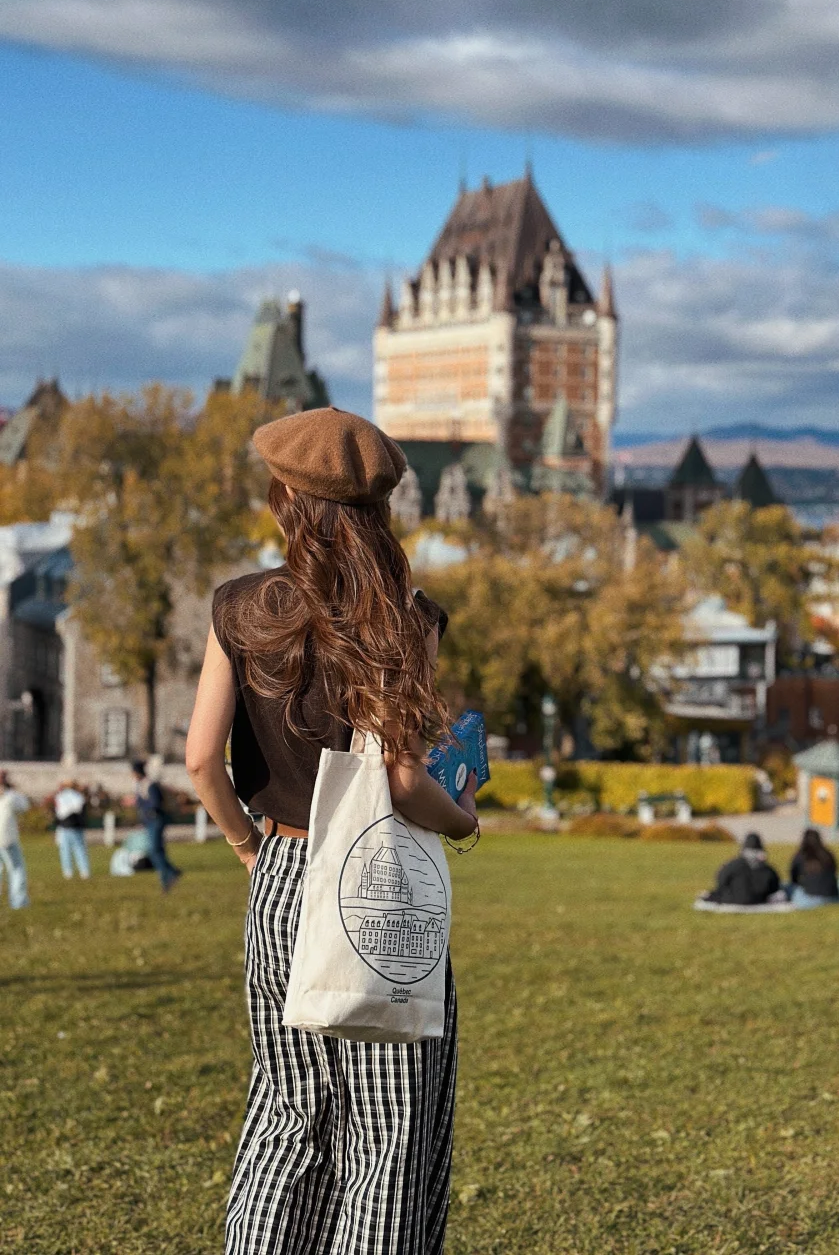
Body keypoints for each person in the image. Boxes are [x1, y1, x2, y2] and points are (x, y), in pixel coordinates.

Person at [185, 407, 479, 1255]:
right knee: (389, 1132)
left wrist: (250, 847)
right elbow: (401, 780)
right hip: (376, 886)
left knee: (287, 1114)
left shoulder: (238, 608)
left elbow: (203, 760)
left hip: (279, 870)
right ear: (379, 506)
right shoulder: (404, 618)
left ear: (287, 497)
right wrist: (461, 821)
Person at [132, 759, 181, 892]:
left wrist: (143, 805)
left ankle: (168, 874)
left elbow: (155, 803)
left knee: (155, 850)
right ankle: (169, 874)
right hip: (149, 821)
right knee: (157, 849)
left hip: (155, 820)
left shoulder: (149, 785)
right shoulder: (141, 784)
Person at [702, 832, 782, 906]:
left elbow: (721, 879)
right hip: (759, 900)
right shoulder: (767, 868)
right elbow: (775, 886)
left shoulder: (733, 864)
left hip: (733, 899)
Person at [0, 771, 31, 909]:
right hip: (6, 838)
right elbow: (25, 806)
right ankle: (19, 901)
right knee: (17, 868)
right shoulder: (10, 797)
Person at [788, 828, 839, 908]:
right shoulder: (827, 854)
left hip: (811, 899)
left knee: (790, 888)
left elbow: (793, 878)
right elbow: (834, 872)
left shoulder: (801, 855)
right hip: (833, 897)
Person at [53, 779, 90, 880]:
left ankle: (68, 872)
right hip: (76, 825)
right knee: (80, 849)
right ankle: (84, 871)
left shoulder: (60, 796)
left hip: (64, 826)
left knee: (65, 850)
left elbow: (58, 813)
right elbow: (80, 810)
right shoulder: (78, 796)